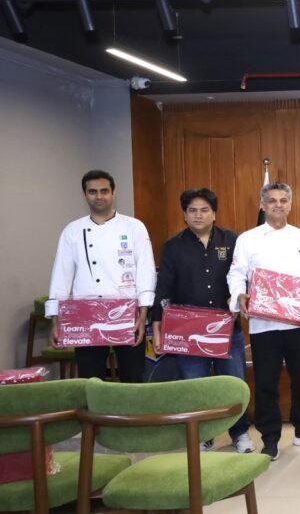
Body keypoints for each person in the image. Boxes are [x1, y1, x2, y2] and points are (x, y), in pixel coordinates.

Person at [227, 181, 300, 461]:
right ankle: (270, 439)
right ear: (263, 204)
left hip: (298, 325)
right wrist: (240, 294)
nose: (278, 205)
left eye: (283, 200)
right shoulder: (248, 239)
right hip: (263, 326)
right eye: (272, 201)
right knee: (266, 383)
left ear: (290, 205)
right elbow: (236, 273)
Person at [152, 188, 254, 453]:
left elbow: (245, 276)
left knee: (234, 384)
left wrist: (239, 299)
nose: (198, 215)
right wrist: (158, 326)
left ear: (214, 213)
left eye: (204, 210)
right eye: (192, 210)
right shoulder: (173, 246)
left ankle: (240, 433)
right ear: (185, 215)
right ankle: (204, 435)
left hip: (227, 328)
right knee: (196, 387)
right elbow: (163, 289)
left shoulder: (233, 241)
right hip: (188, 331)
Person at [46, 169, 155, 383]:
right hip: (86, 313)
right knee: (90, 379)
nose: (99, 196)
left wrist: (142, 316)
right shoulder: (72, 231)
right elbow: (61, 277)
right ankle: (94, 407)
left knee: (133, 377)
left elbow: (146, 271)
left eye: (104, 191)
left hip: (127, 312)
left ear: (113, 193)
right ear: (85, 195)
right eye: (92, 191)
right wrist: (56, 320)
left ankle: (131, 407)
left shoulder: (134, 227)